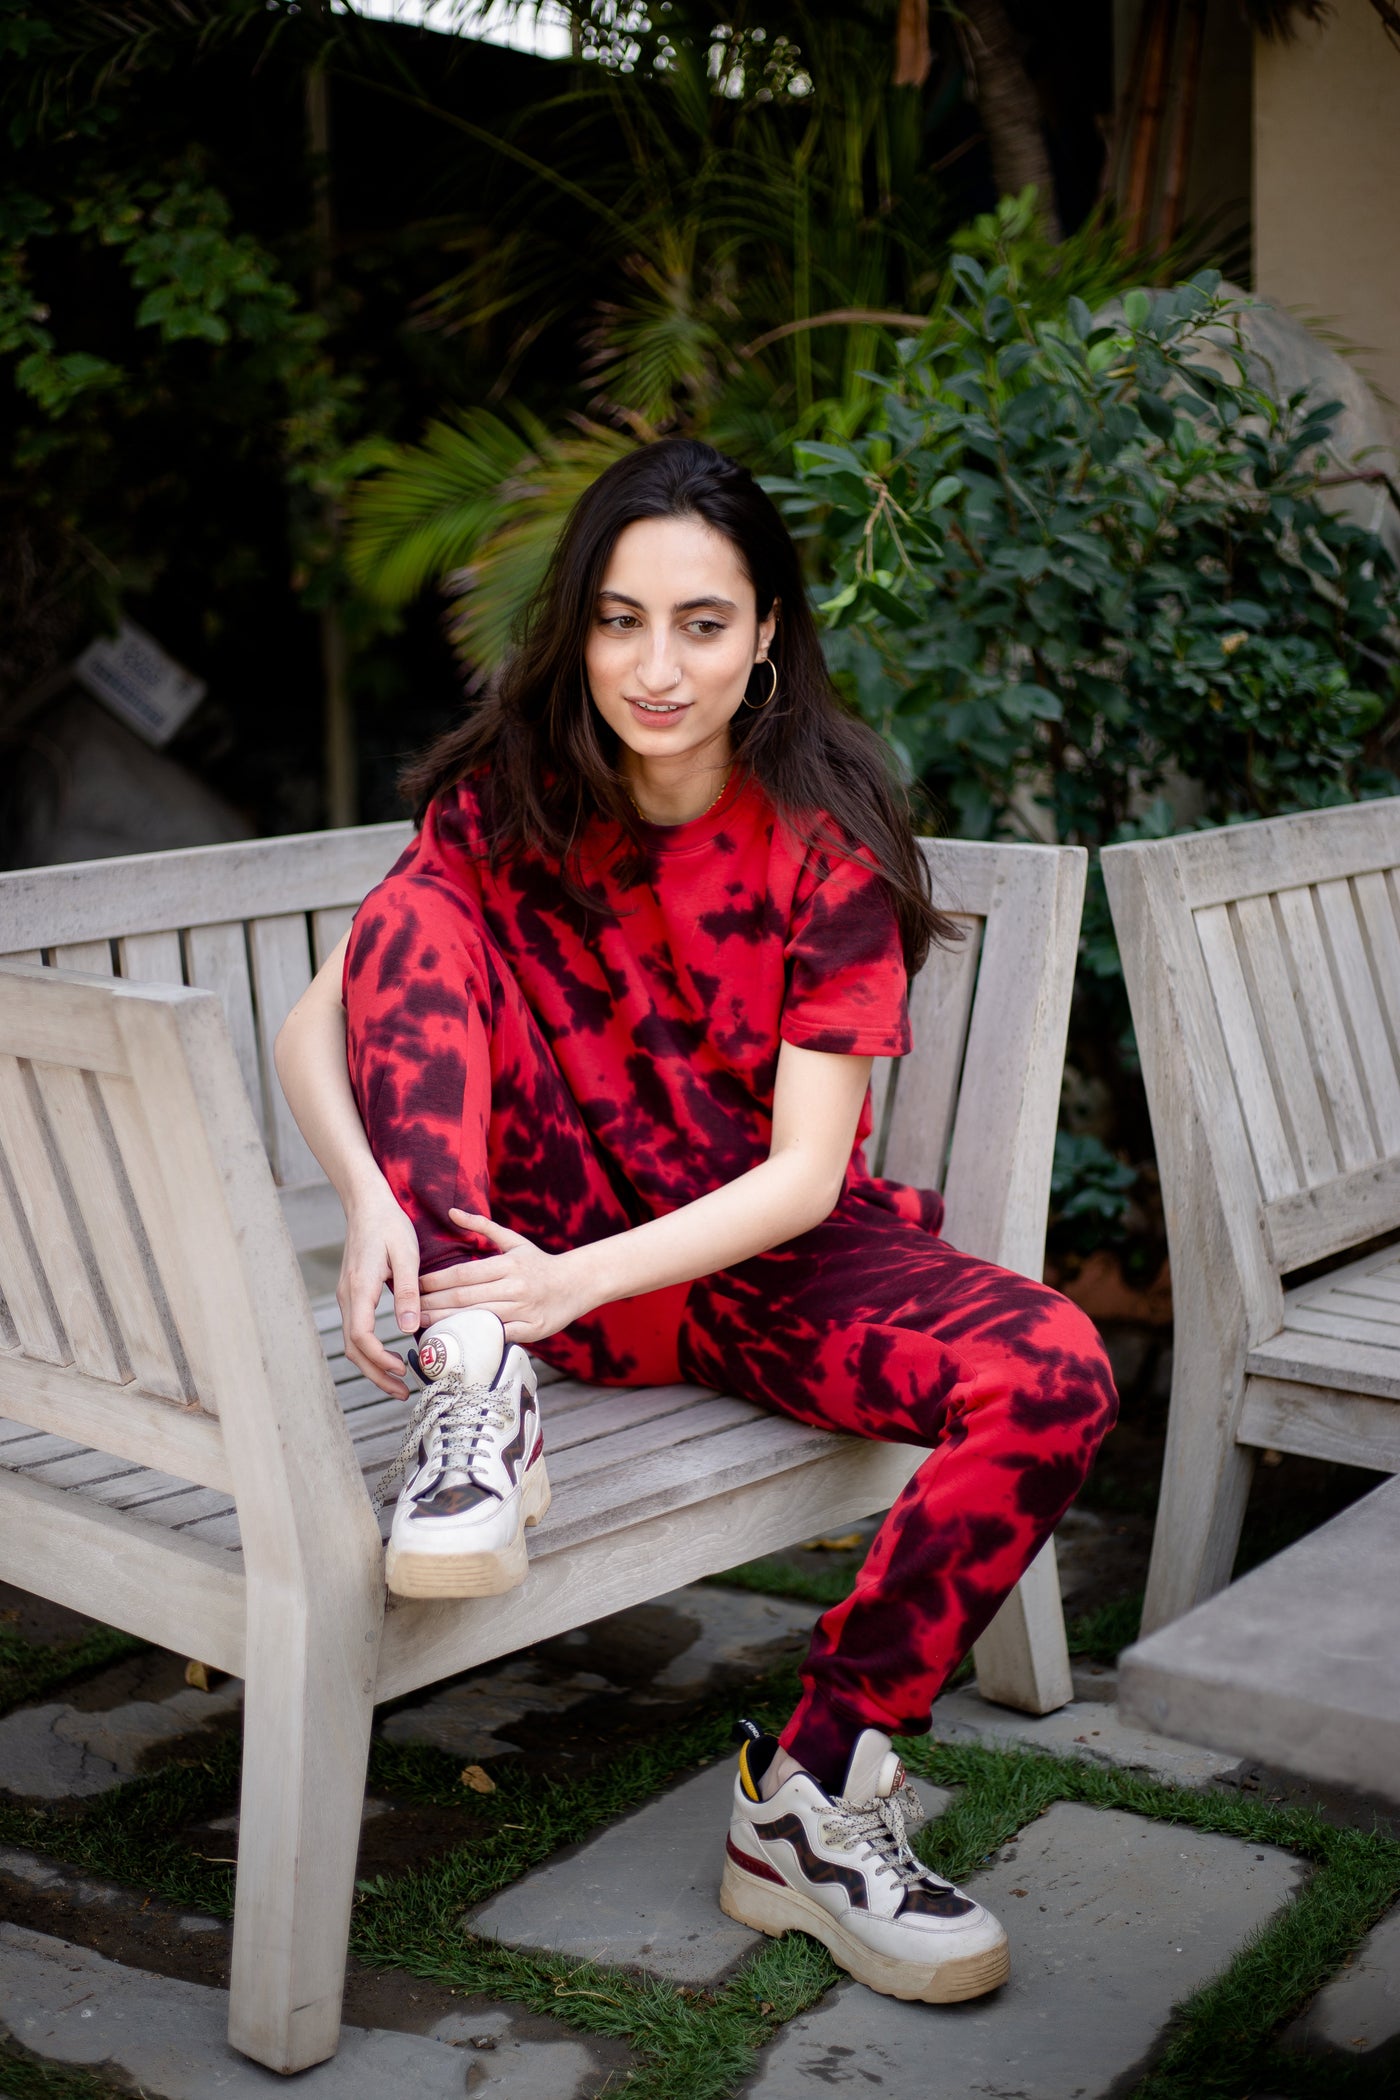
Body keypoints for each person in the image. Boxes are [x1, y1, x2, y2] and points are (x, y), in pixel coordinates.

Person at [275, 437, 1118, 2007]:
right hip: (520, 1280)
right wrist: (376, 1209)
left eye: (701, 623)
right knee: (406, 907)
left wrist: (558, 1285)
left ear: (769, 633)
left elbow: (804, 1181)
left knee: (1057, 1368)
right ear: (576, 632)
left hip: (745, 1266)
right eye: (617, 620)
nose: (654, 668)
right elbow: (321, 1024)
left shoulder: (827, 843)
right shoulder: (505, 799)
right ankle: (476, 1399)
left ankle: (810, 1793)